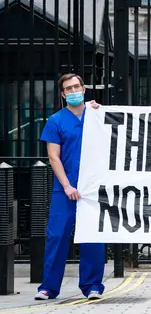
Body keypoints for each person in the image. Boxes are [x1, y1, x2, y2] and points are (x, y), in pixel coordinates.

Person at [35, 73, 106, 301]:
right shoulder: (56, 121)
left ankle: (93, 286)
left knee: (92, 237)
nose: (74, 91)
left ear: (84, 90)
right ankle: (48, 287)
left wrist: (101, 109)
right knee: (57, 236)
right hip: (64, 190)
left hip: (91, 189)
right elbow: (53, 157)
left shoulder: (96, 115)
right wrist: (66, 186)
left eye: (77, 86)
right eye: (69, 88)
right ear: (63, 94)